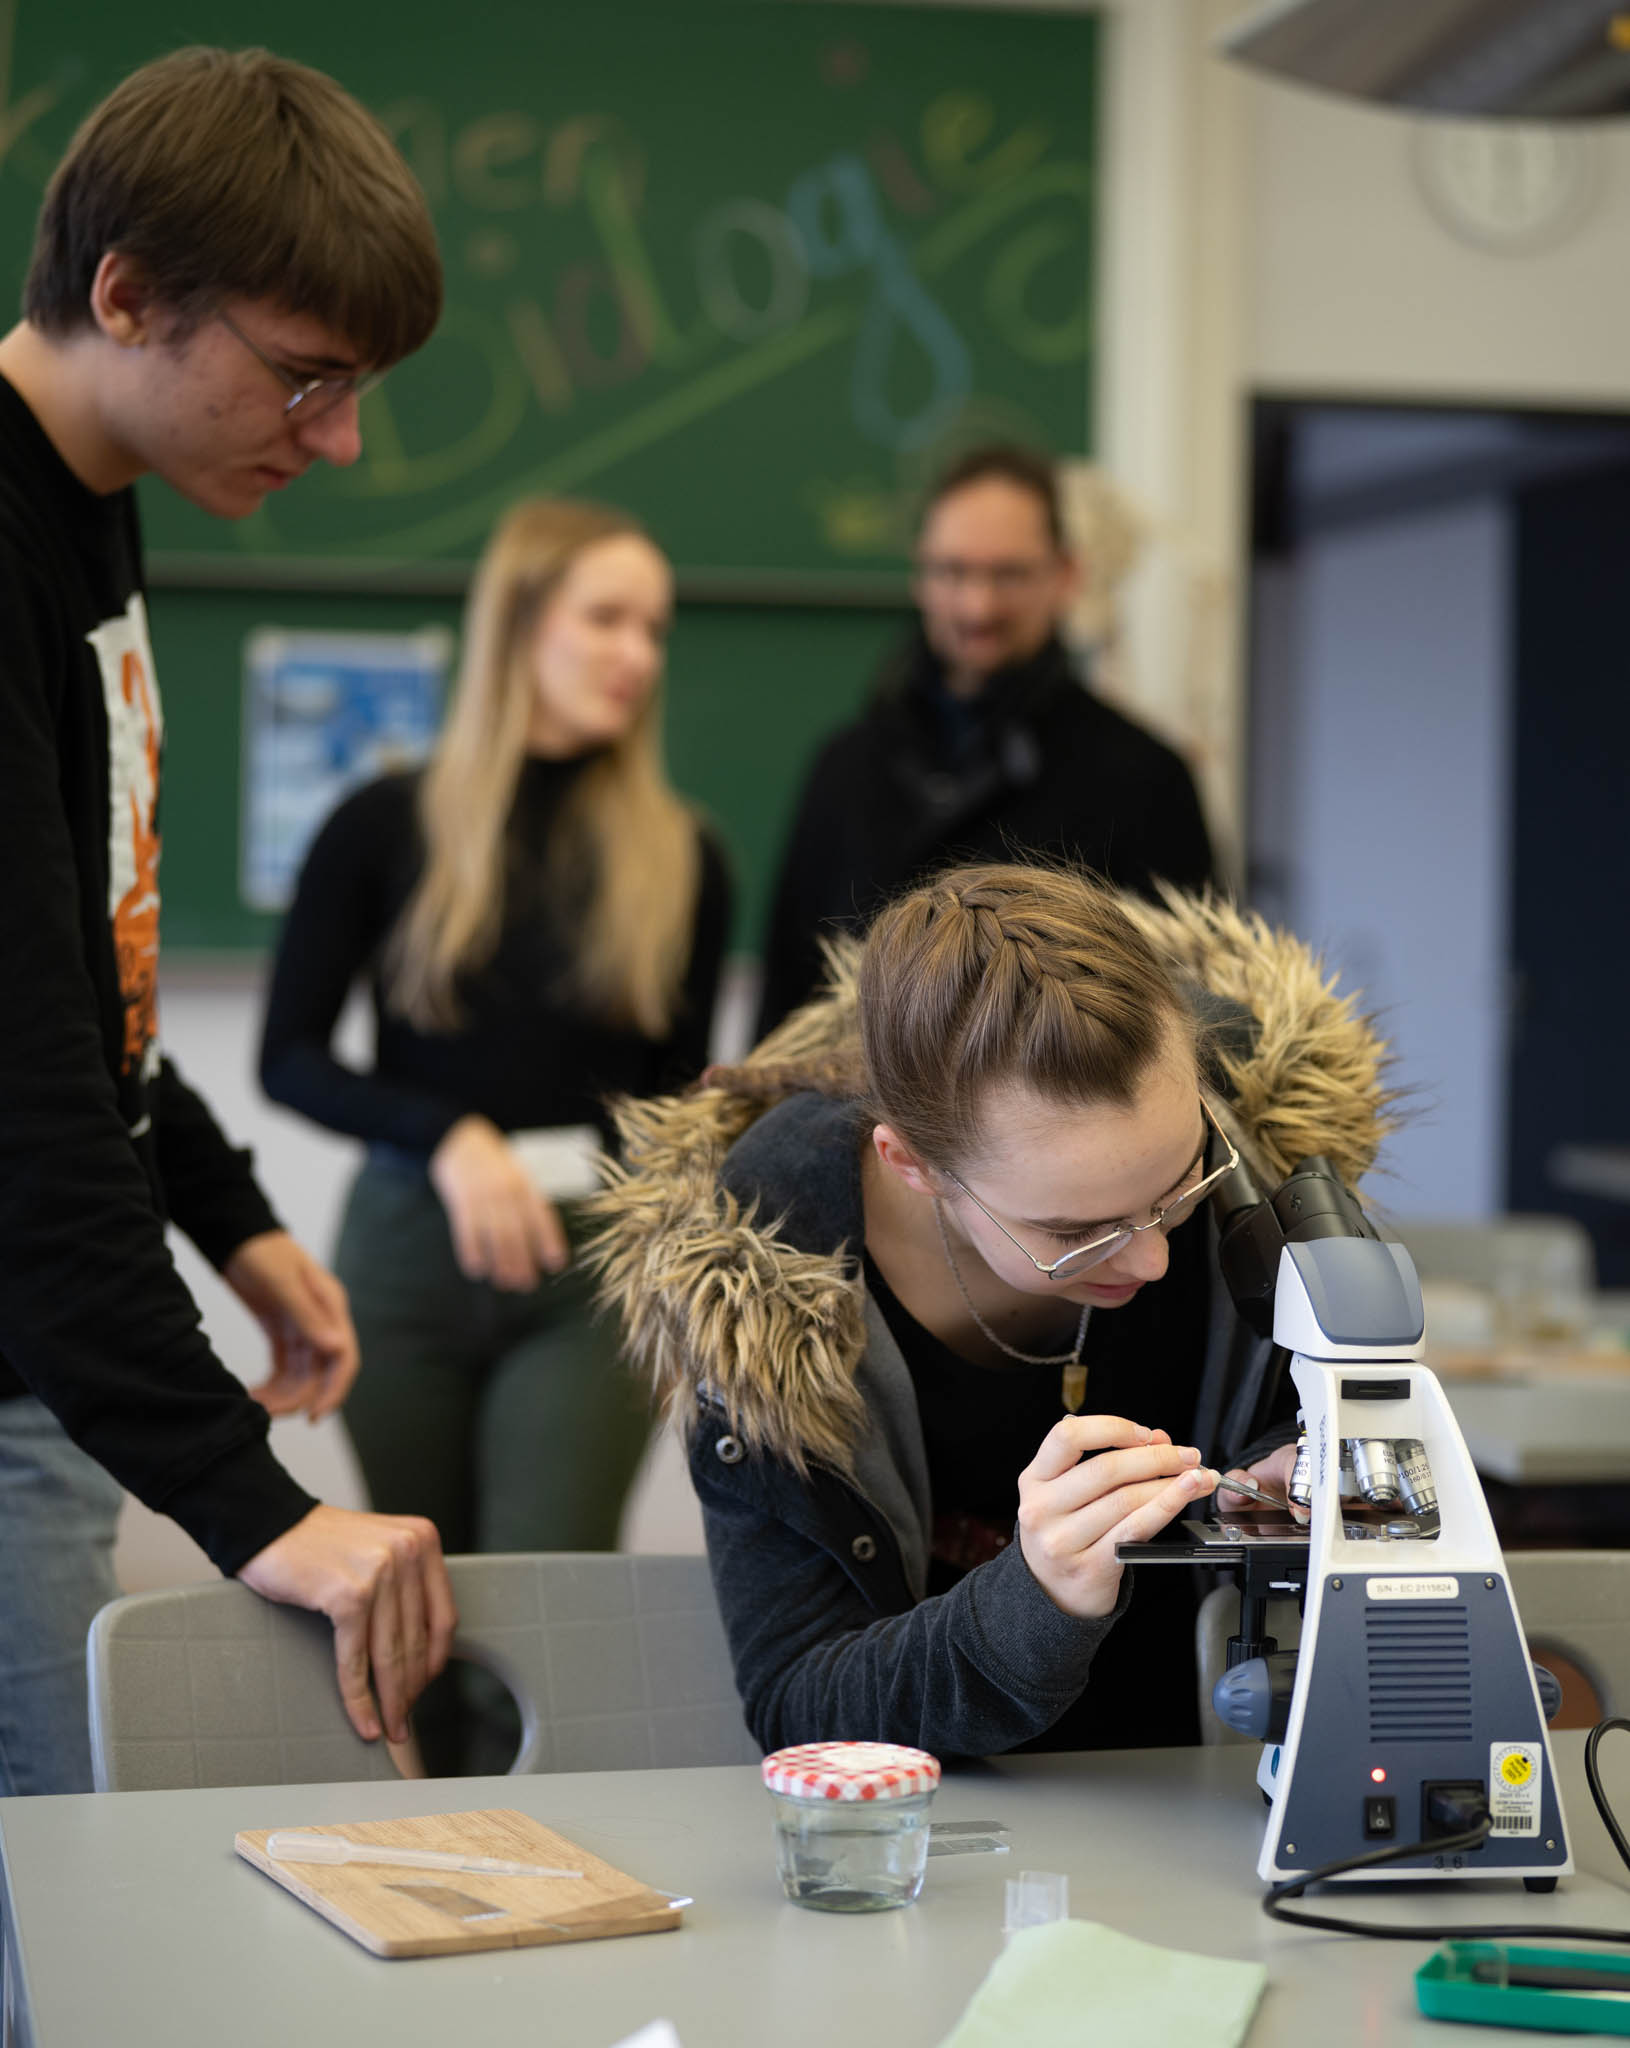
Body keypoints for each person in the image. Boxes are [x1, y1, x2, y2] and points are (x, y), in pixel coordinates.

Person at [0, 47, 456, 1796]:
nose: (338, 438)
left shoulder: (89, 505)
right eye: (306, 376)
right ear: (127, 296)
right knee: (65, 1902)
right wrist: (254, 1504)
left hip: (43, 1373)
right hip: (19, 1372)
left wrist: (231, 1218)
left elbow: (81, 981)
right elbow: (20, 1096)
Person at [586, 864, 1393, 1757]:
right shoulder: (760, 1285)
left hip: (1213, 1785)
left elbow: (1322, 1443)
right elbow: (801, 1704)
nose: (1153, 1259)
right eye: (1076, 1231)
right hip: (939, 1819)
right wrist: (1034, 1602)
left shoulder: (1270, 1176)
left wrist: (1288, 1467)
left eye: (1179, 1188)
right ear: (911, 1165)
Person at [259, 498, 731, 1759]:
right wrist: (451, 1135)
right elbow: (286, 1056)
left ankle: (534, 1859)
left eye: (653, 628)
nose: (636, 653)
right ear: (520, 624)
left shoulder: (683, 855)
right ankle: (425, 1853)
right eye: (606, 618)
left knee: (536, 1622)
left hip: (590, 1270)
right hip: (406, 1249)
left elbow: (673, 1100)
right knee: (406, 1618)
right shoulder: (383, 825)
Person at [755, 444, 1217, 1036]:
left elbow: (1187, 1014)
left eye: (1008, 574)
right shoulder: (843, 769)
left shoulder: (1147, 780)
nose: (978, 606)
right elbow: (785, 1005)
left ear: (1066, 574)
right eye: (953, 571)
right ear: (922, 575)